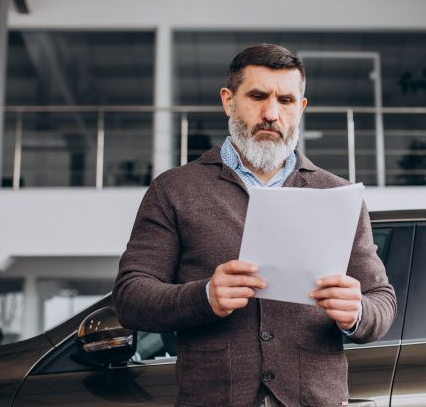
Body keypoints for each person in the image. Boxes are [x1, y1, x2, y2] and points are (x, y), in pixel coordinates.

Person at [113, 44, 396, 407]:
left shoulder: (338, 194)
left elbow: (381, 300)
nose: (271, 113)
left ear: (301, 108)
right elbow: (130, 297)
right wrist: (204, 297)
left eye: (286, 100)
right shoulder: (174, 190)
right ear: (228, 101)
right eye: (258, 96)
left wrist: (357, 312)